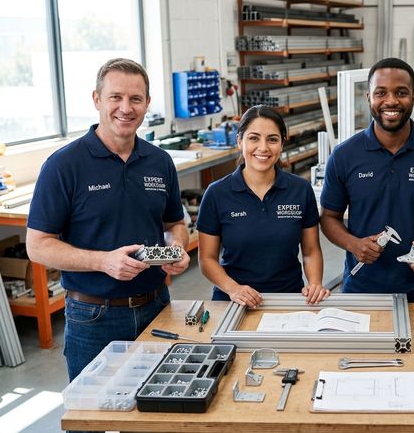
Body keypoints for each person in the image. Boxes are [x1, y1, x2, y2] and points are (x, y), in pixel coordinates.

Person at [26, 58, 190, 381]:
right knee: (90, 419)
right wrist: (104, 262)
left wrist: (177, 249)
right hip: (93, 317)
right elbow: (37, 246)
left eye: (136, 99)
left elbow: (175, 224)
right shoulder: (63, 166)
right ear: (97, 99)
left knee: (154, 414)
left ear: (147, 104)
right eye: (116, 97)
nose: (125, 108)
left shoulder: (160, 162)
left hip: (157, 307)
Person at [320, 57, 414, 302]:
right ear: (369, 98)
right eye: (381, 93)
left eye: (401, 92)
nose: (391, 101)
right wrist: (353, 244)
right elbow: (328, 217)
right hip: (361, 290)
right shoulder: (345, 155)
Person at [197, 106, 329, 307]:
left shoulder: (300, 190)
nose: (263, 148)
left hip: (289, 299)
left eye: (272, 139)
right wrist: (234, 289)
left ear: (283, 143)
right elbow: (207, 259)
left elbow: (310, 251)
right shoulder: (217, 193)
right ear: (240, 141)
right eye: (254, 138)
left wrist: (315, 283)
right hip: (232, 301)